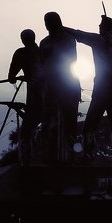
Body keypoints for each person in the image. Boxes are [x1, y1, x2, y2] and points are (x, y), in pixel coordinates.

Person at [65, 13, 112, 164]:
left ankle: (88, 158)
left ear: (105, 27)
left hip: (103, 88)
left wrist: (60, 27)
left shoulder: (97, 40)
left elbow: (78, 33)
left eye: (101, 24)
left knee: (89, 127)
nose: (98, 26)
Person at [38, 12, 81, 163]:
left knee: (69, 124)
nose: (46, 24)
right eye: (45, 21)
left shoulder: (68, 39)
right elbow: (41, 64)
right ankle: (49, 156)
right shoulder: (44, 42)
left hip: (67, 84)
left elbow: (70, 60)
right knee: (48, 123)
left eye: (49, 21)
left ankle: (71, 157)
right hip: (50, 86)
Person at [7, 29, 42, 164]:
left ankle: (28, 162)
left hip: (35, 93)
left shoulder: (21, 52)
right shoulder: (43, 51)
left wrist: (15, 77)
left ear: (22, 40)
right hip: (50, 93)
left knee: (27, 130)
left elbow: (11, 76)